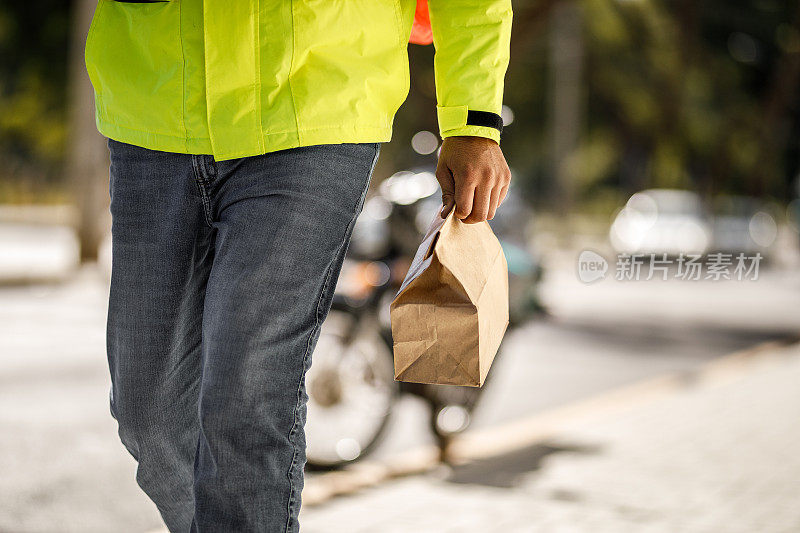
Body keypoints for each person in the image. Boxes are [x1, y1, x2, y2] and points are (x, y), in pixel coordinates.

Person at [84, 0, 512, 531]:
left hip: (317, 105)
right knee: (149, 415)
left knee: (247, 391)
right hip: (154, 104)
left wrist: (474, 121)